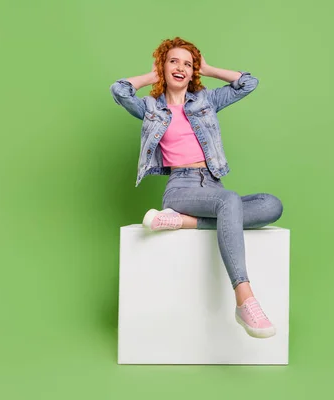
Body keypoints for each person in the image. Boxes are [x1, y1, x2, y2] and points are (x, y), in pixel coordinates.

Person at [110, 37, 283, 339]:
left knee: (272, 205)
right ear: (163, 65)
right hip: (181, 188)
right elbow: (120, 90)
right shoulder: (151, 107)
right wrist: (152, 77)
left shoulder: (206, 101)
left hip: (212, 186)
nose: (181, 67)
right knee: (229, 201)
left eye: (188, 64)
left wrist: (209, 69)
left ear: (193, 72)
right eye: (173, 61)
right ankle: (245, 299)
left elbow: (248, 83)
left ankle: (185, 223)